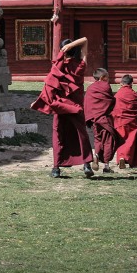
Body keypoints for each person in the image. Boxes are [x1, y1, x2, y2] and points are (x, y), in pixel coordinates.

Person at [30, 37, 94, 178]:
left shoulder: (58, 67)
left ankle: (56, 168)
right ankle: (86, 164)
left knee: (58, 134)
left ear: (63, 51)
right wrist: (71, 45)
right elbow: (85, 40)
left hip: (60, 106)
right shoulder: (81, 65)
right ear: (77, 51)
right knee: (81, 134)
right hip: (76, 106)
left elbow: (49, 86)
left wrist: (64, 49)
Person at [84, 68, 118, 173]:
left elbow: (87, 103)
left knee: (98, 139)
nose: (108, 79)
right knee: (108, 141)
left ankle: (97, 155)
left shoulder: (90, 88)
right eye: (107, 77)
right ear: (103, 77)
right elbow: (110, 100)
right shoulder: (105, 86)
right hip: (104, 118)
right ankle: (106, 166)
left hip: (94, 119)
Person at [111, 74, 137, 169]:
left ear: (121, 83)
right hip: (132, 120)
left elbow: (114, 107)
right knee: (130, 140)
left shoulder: (118, 94)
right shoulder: (134, 94)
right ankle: (127, 158)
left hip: (120, 120)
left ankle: (121, 157)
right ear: (131, 83)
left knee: (121, 138)